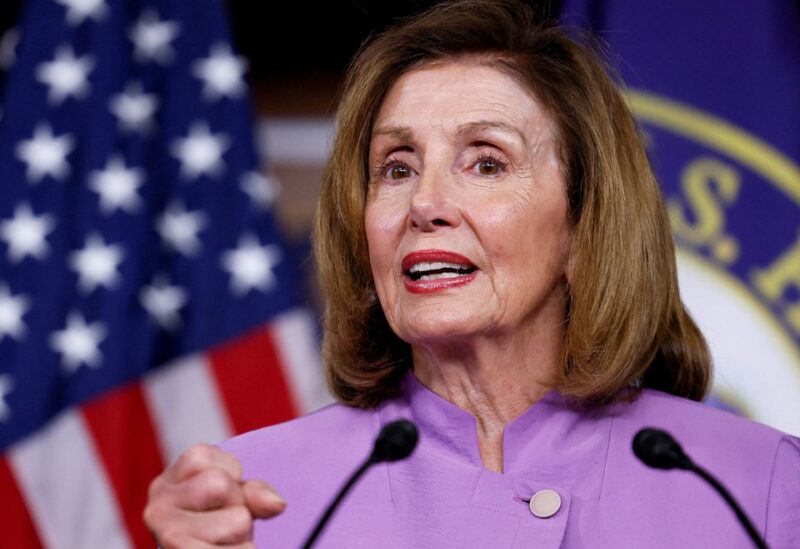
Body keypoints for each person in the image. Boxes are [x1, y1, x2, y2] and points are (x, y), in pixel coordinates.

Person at [143, 1, 800, 547]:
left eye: (486, 163)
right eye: (396, 168)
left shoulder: (755, 483)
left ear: (584, 222)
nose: (424, 204)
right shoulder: (257, 497)